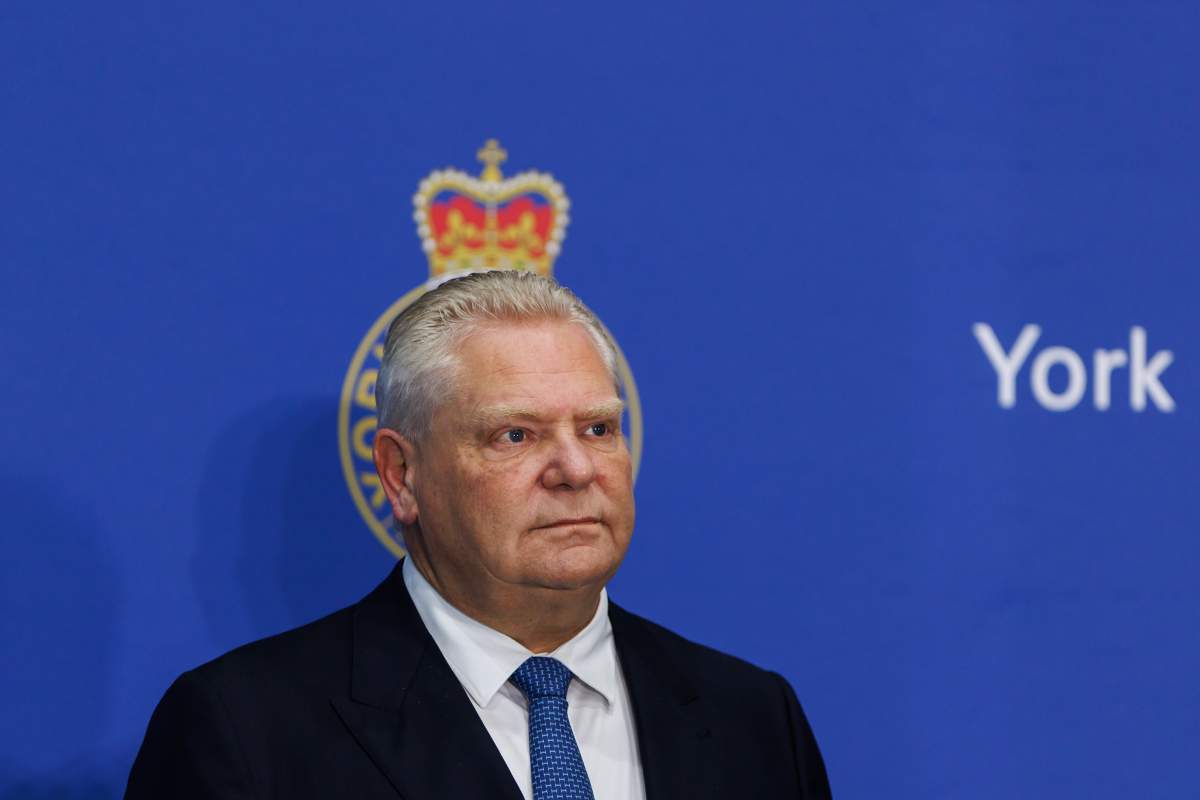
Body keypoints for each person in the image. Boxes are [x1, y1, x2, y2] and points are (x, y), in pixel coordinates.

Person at [126, 270, 832, 799]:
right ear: (401, 474)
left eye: (598, 428)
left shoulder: (754, 717)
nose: (576, 468)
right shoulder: (245, 730)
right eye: (514, 435)